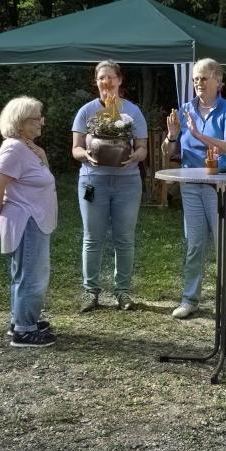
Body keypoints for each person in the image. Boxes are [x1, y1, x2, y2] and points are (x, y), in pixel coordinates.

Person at [162, 58, 226, 318]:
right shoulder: (185, 110)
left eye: (203, 78)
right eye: (195, 78)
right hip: (190, 184)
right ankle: (189, 299)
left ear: (218, 81)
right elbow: (169, 151)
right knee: (195, 244)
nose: (198, 82)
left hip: (220, 185)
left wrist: (198, 135)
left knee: (222, 243)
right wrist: (172, 136)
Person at [71, 60, 148, 312]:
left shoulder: (133, 112)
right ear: (96, 82)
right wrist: (86, 155)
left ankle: (122, 292)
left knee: (124, 238)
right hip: (93, 180)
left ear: (119, 80)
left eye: (110, 77)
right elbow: (76, 149)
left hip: (127, 182)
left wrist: (135, 156)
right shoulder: (86, 111)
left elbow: (142, 149)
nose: (106, 82)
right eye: (101, 78)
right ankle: (90, 292)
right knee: (92, 238)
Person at [0, 96, 58, 348]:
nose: (42, 122)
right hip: (27, 219)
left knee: (26, 273)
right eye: (36, 118)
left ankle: (21, 320)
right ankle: (24, 330)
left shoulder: (26, 147)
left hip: (33, 218)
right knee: (32, 275)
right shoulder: (14, 148)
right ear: (19, 122)